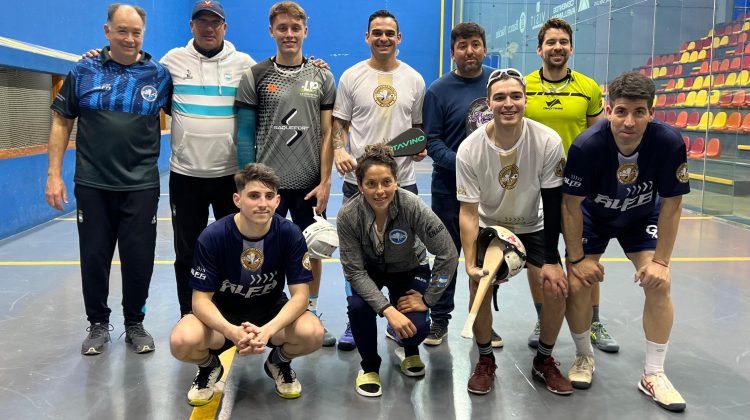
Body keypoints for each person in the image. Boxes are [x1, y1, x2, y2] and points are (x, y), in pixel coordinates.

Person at [44, 3, 172, 356]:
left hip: (141, 185)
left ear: (143, 35)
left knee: (139, 258)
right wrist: (54, 174)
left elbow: (188, 108)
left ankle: (135, 322)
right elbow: (61, 120)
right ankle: (98, 324)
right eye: (122, 31)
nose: (129, 38)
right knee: (95, 256)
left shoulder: (159, 75)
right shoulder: (84, 70)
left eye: (136, 32)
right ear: (107, 31)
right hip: (93, 183)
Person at [561, 71, 688, 412]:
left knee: (660, 284)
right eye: (621, 112)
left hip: (641, 216)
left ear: (652, 112)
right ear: (607, 110)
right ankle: (584, 357)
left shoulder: (669, 142)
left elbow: (673, 204)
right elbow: (570, 206)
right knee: (578, 282)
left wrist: (660, 262)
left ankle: (653, 374)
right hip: (593, 217)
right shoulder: (587, 146)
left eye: (638, 112)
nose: (629, 122)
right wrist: (577, 260)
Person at [456, 69, 571, 395]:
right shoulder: (470, 149)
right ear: (488, 103)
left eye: (515, 96)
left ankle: (544, 360)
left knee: (555, 288)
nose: (509, 103)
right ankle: (486, 360)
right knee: (478, 287)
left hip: (533, 225)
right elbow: (467, 211)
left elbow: (553, 204)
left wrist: (551, 260)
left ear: (525, 100)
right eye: (500, 97)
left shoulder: (547, 140)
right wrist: (469, 262)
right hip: (490, 228)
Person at [169, 163, 324, 405]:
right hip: (223, 316)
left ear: (277, 201)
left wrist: (268, 330)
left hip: (270, 312)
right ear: (237, 199)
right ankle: (209, 367)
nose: (262, 203)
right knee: (182, 340)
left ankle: (278, 362)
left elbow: (300, 297)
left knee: (313, 332)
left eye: (269, 196)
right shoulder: (213, 236)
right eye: (253, 196)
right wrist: (231, 331)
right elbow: (199, 301)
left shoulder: (290, 234)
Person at [235, 1, 337, 347]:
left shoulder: (322, 76)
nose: (289, 34)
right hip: (268, 188)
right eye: (282, 28)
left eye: (295, 28)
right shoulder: (255, 75)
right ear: (272, 32)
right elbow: (245, 133)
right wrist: (250, 184)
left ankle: (309, 311)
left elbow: (328, 133)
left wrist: (325, 183)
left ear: (305, 31)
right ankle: (259, 313)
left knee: (314, 249)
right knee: (262, 251)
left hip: (308, 185)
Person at [332, 9, 427, 350]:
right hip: (361, 185)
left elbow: (417, 130)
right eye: (377, 32)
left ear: (398, 38)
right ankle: (354, 317)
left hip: (403, 183)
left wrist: (417, 147)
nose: (383, 37)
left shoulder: (414, 79)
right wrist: (340, 150)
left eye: (390, 32)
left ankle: (399, 317)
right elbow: (339, 124)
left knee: (403, 254)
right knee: (356, 254)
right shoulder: (351, 76)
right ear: (367, 37)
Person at [158, 0, 256, 318]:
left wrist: (316, 67)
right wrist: (96, 55)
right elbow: (145, 81)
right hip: (185, 175)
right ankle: (190, 313)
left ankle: (232, 312)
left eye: (215, 22)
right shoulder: (172, 61)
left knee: (233, 248)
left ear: (225, 27)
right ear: (192, 26)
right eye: (202, 21)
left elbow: (274, 90)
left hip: (230, 175)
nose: (208, 28)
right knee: (187, 251)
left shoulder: (244, 64)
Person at [337, 144, 457, 397]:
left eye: (386, 182)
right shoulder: (348, 215)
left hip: (409, 267)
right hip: (369, 270)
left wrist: (428, 299)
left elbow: (448, 253)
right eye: (371, 183)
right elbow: (355, 272)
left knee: (417, 329)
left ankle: (410, 350)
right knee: (359, 307)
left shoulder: (412, 205)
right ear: (360, 185)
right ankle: (369, 367)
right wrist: (387, 310)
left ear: (396, 181)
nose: (380, 191)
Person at [523, 17, 613, 352]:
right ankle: (542, 316)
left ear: (571, 48)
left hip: (580, 190)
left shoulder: (588, 88)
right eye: (551, 42)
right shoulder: (525, 86)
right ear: (540, 49)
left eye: (563, 42)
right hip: (534, 187)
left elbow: (600, 139)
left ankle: (594, 323)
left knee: (586, 256)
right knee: (539, 256)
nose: (557, 47)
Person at [422, 22, 502, 347]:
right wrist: (467, 166)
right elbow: (433, 141)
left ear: (484, 48)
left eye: (475, 44)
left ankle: (483, 321)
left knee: (486, 258)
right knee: (447, 256)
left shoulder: (499, 84)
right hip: (447, 190)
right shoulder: (438, 91)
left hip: (493, 192)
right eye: (462, 46)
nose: (470, 51)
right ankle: (439, 320)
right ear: (453, 52)